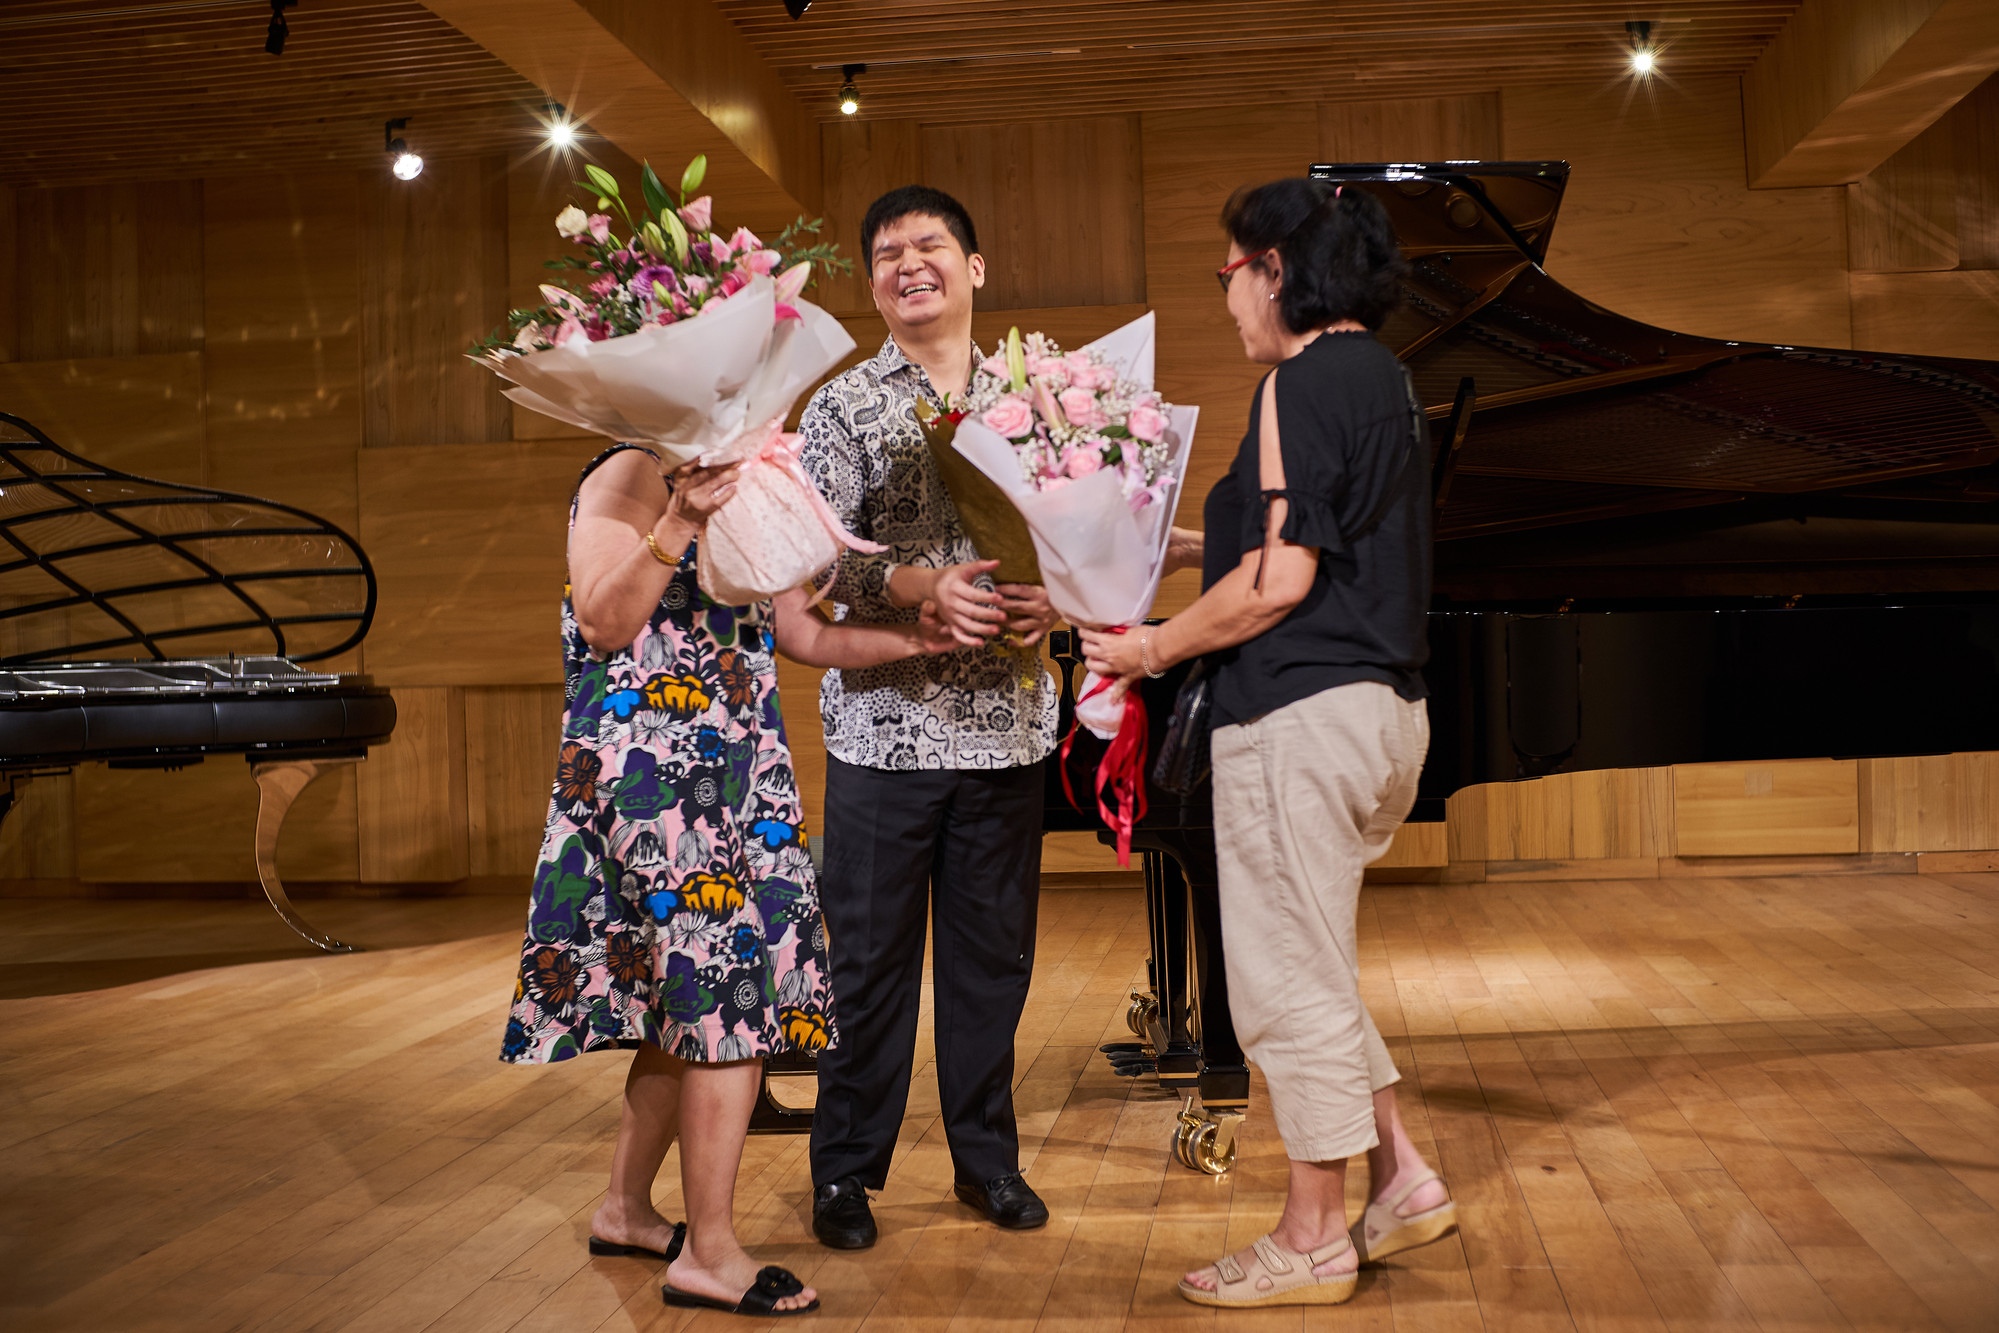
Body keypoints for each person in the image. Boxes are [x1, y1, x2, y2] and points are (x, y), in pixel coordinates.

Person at [1080, 179, 1456, 1310]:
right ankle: (1405, 1178)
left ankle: (1312, 1238)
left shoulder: (1298, 380)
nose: (1226, 297)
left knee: (1285, 987)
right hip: (1382, 717)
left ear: (1276, 268)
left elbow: (1281, 581)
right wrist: (1194, 541)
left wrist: (1146, 650)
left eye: (1229, 271)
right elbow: (1306, 546)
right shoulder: (1381, 379)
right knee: (1317, 969)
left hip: (1298, 717)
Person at [499, 443, 957, 1318]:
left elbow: (800, 632)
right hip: (655, 770)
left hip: (741, 767)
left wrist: (914, 639)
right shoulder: (628, 473)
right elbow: (601, 619)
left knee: (689, 1007)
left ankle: (625, 1210)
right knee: (728, 998)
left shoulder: (749, 471)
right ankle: (709, 1251)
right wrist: (678, 520)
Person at [796, 185, 1062, 1250]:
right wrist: (915, 588)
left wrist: (1061, 598)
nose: (911, 263)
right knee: (865, 965)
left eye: (932, 245)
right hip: (883, 733)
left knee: (992, 962)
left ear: (976, 267)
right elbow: (809, 574)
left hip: (1007, 727)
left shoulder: (1042, 399)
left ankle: (985, 1163)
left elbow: (1084, 540)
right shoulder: (841, 408)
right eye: (889, 253)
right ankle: (844, 1175)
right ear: (873, 284)